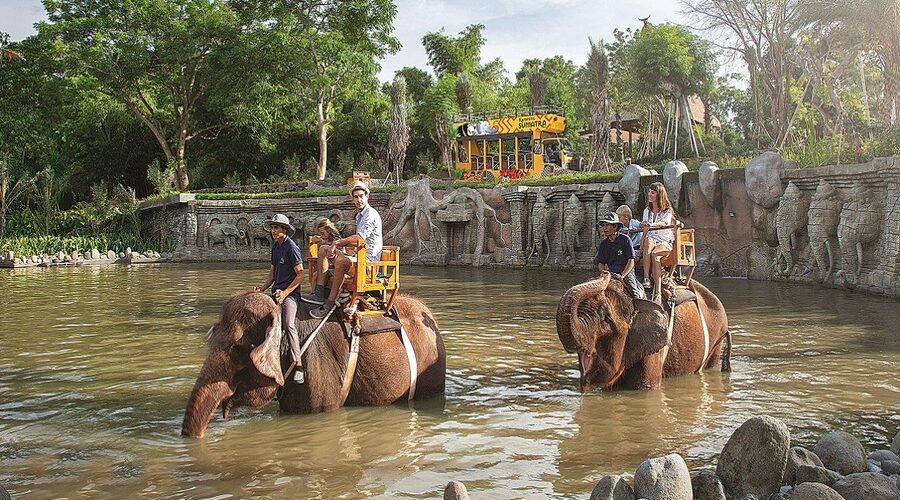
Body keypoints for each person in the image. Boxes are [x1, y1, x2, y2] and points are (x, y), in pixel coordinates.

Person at [304, 181, 382, 319]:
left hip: (368, 263)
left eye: (361, 196)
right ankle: (319, 293)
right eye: (356, 197)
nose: (359, 200)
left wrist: (338, 243)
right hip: (358, 257)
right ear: (352, 199)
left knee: (340, 260)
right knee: (323, 249)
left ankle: (329, 304)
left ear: (367, 196)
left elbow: (360, 238)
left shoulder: (370, 214)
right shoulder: (359, 216)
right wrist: (333, 245)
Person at [252, 213, 305, 381]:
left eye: (277, 228)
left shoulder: (291, 247)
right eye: (272, 228)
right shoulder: (275, 246)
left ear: (285, 229)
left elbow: (301, 275)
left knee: (289, 324)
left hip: (290, 294)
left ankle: (298, 364)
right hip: (275, 292)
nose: (273, 231)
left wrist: (286, 293)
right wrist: (261, 288)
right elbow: (272, 273)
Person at [640, 182, 676, 303]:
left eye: (652, 193)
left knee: (655, 254)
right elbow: (645, 229)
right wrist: (641, 243)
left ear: (659, 195)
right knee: (648, 241)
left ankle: (658, 294)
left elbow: (664, 223)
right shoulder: (647, 211)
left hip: (664, 242)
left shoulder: (667, 211)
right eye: (649, 192)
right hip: (650, 241)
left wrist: (652, 225)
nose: (649, 194)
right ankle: (646, 278)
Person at [595, 212, 644, 299]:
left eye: (607, 225)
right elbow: (600, 262)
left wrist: (623, 275)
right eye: (603, 225)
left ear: (615, 227)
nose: (604, 228)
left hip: (625, 273)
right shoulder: (603, 244)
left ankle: (639, 306)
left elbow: (631, 261)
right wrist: (603, 272)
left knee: (635, 294)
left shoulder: (625, 240)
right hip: (610, 273)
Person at [308, 218, 340, 290]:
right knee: (315, 275)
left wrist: (325, 243)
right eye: (320, 234)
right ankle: (313, 293)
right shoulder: (324, 238)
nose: (321, 235)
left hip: (338, 267)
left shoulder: (337, 240)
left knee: (317, 275)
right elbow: (313, 239)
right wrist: (318, 239)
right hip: (329, 266)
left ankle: (317, 294)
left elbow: (335, 250)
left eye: (322, 233)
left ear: (329, 231)